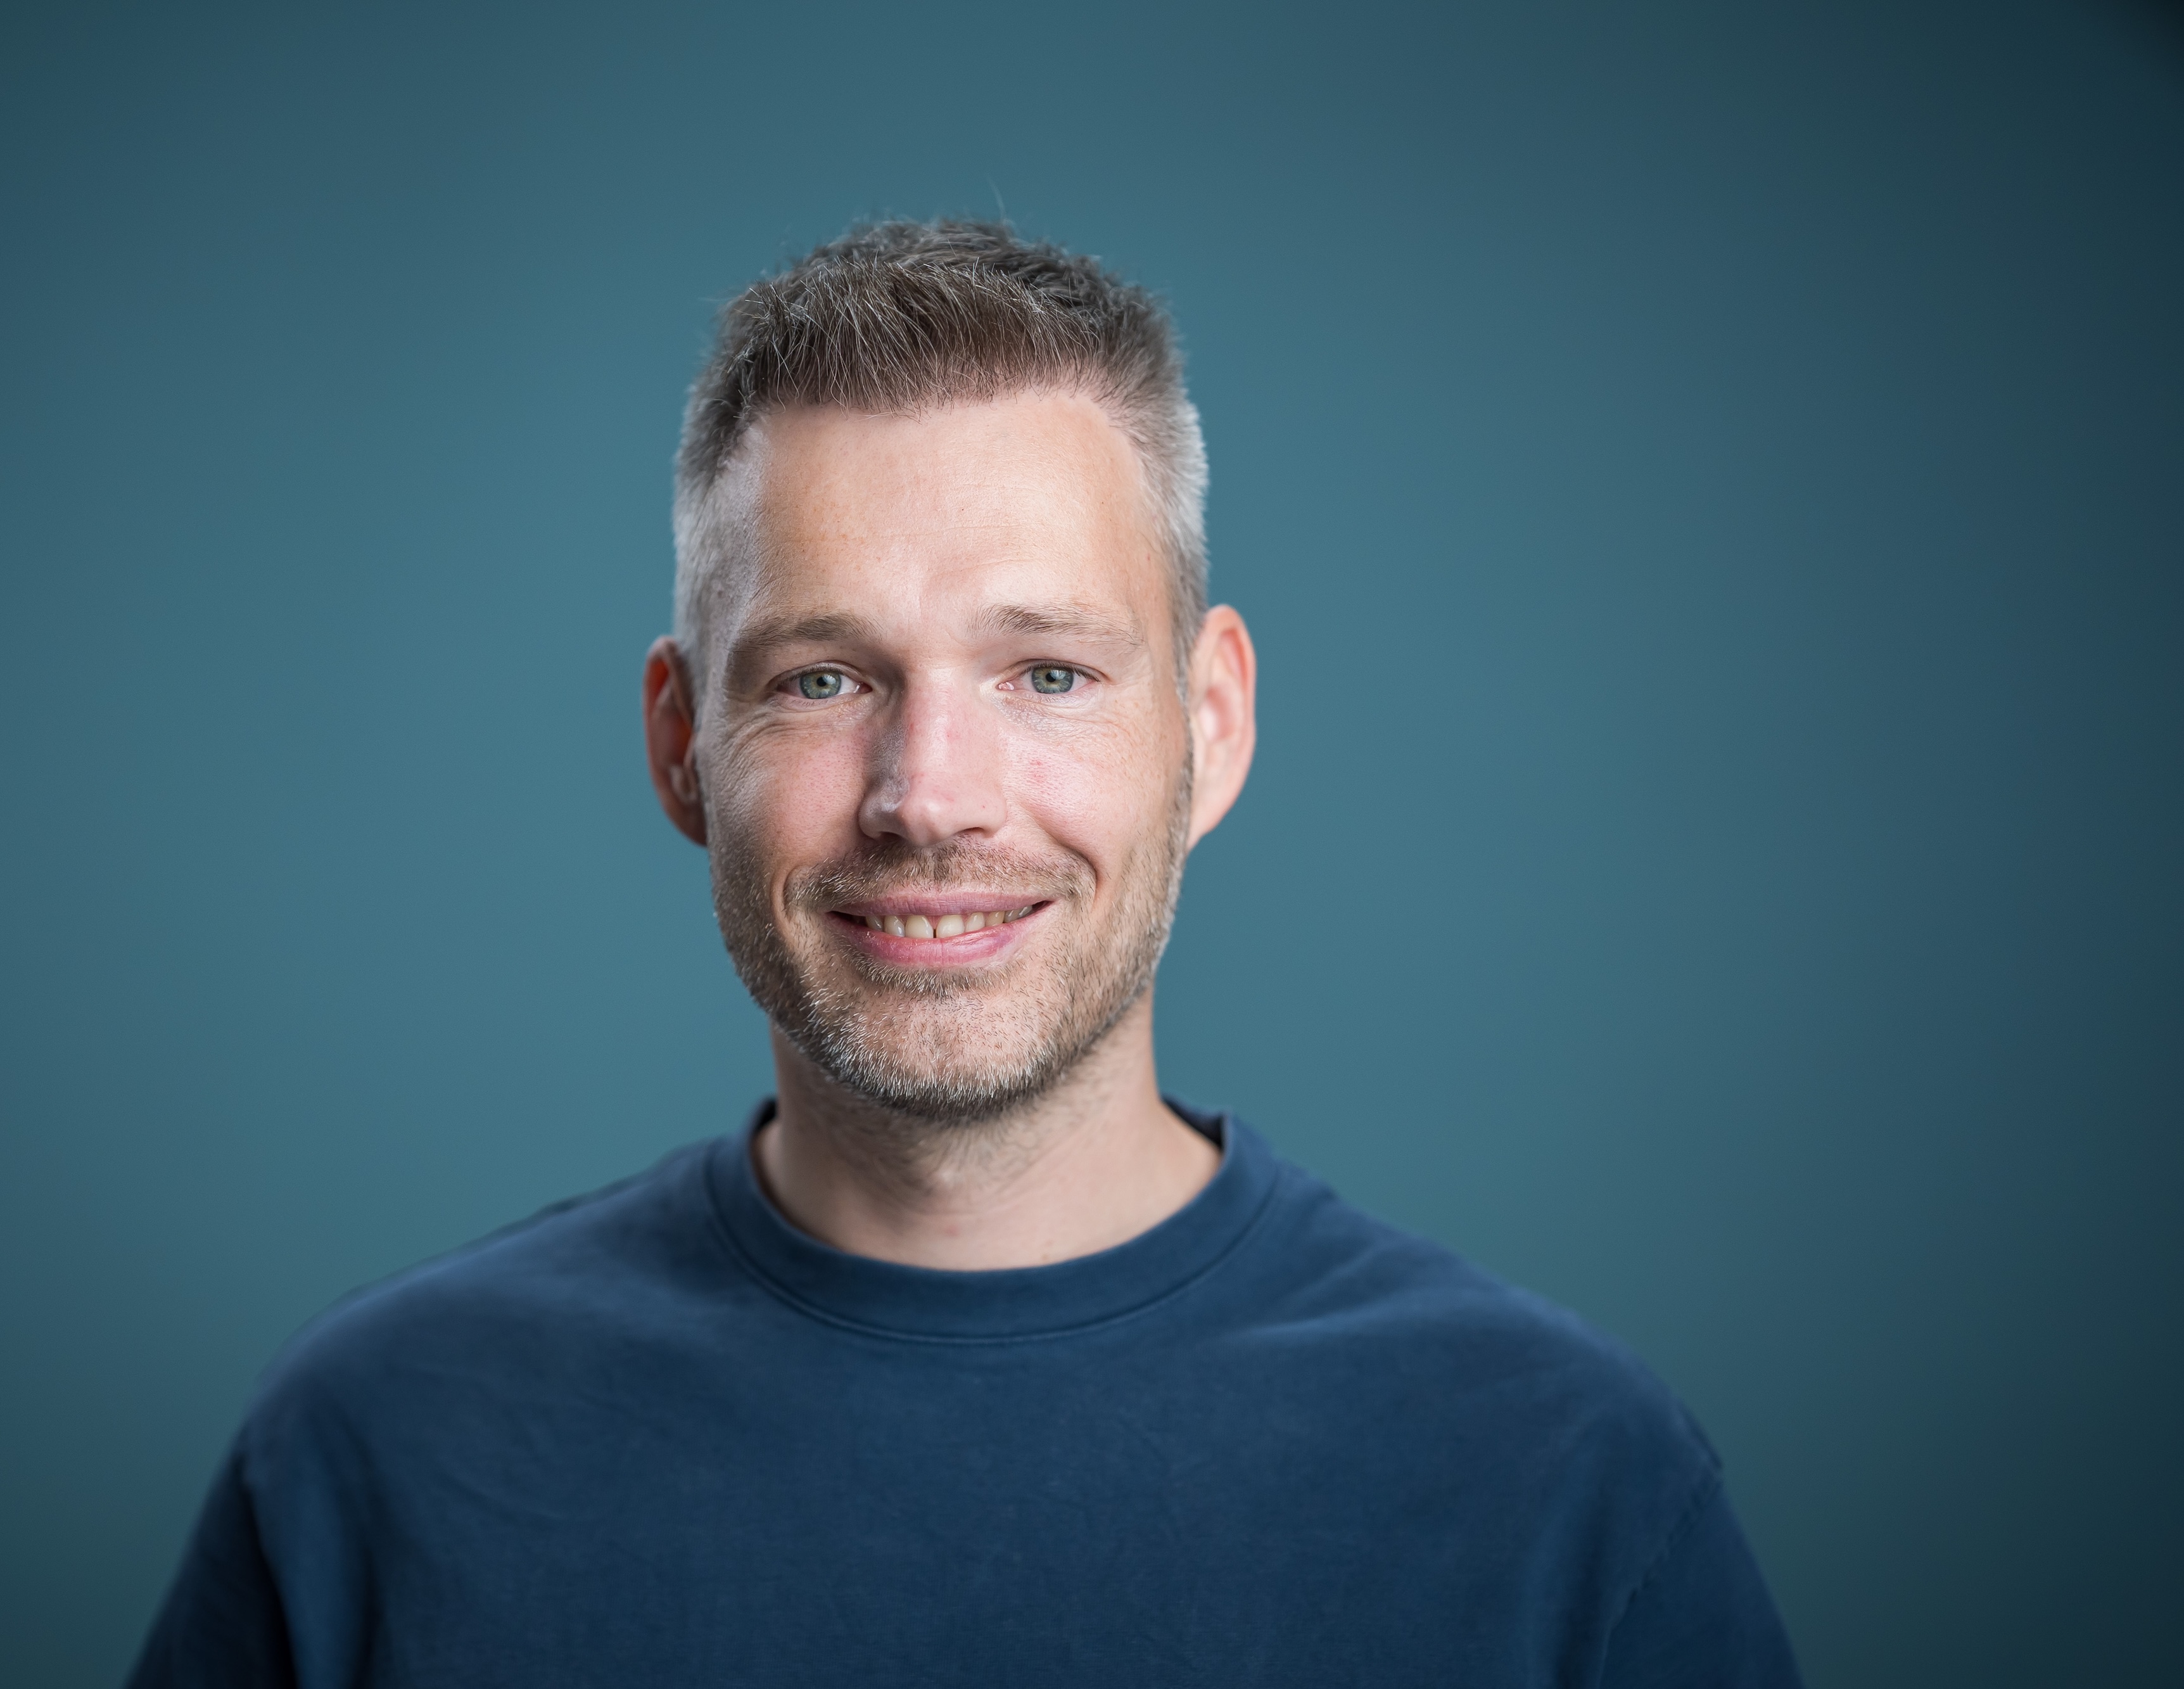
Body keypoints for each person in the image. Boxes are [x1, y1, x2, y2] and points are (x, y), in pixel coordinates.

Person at [129, 219, 1803, 1687]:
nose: (928, 800)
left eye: (1048, 674)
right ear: (676, 745)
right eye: (822, 679)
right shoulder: (378, 1458)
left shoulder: (1566, 1488)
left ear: (1209, 728)